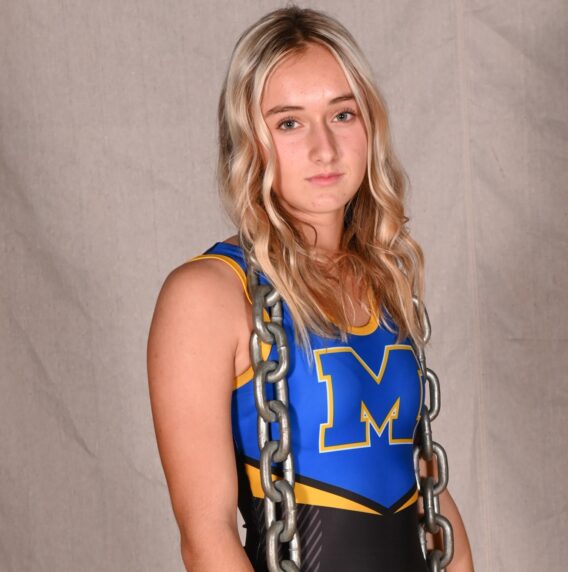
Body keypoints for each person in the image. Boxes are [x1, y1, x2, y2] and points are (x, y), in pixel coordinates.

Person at [147, 5, 474, 571]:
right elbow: (206, 537)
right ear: (251, 140)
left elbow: (427, 487)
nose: (324, 149)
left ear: (370, 125)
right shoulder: (207, 295)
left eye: (342, 115)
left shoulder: (383, 277)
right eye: (289, 123)